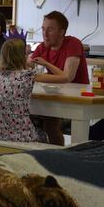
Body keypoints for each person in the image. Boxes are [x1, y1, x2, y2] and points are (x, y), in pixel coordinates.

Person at [29, 10, 89, 145]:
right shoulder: (42, 47)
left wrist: (44, 65)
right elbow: (26, 65)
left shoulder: (73, 43)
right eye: (43, 29)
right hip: (53, 94)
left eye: (50, 30)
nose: (44, 34)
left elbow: (68, 76)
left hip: (77, 96)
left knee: (51, 126)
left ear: (62, 32)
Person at [0, 39, 47, 143]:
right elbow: (65, 77)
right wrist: (46, 63)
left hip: (0, 135)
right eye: (27, 53)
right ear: (23, 56)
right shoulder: (28, 75)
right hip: (25, 138)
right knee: (46, 132)